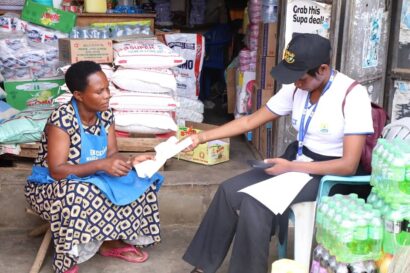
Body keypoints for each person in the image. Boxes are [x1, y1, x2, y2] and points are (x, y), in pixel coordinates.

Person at [182, 33, 374, 273]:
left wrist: (291, 167)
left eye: (300, 77)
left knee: (255, 203)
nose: (295, 83)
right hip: (298, 163)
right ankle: (203, 268)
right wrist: (200, 137)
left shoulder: (352, 96)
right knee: (228, 191)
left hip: (331, 176)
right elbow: (250, 121)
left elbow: (347, 165)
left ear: (323, 70)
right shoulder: (297, 88)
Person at [24, 61, 163, 273]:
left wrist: (131, 162)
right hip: (52, 187)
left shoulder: (106, 115)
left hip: (94, 177)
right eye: (99, 91)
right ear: (79, 95)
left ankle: (111, 241)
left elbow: (111, 154)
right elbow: (57, 171)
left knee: (141, 180)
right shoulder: (62, 119)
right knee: (78, 192)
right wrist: (101, 164)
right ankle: (68, 257)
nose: (107, 95)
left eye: (107, 88)